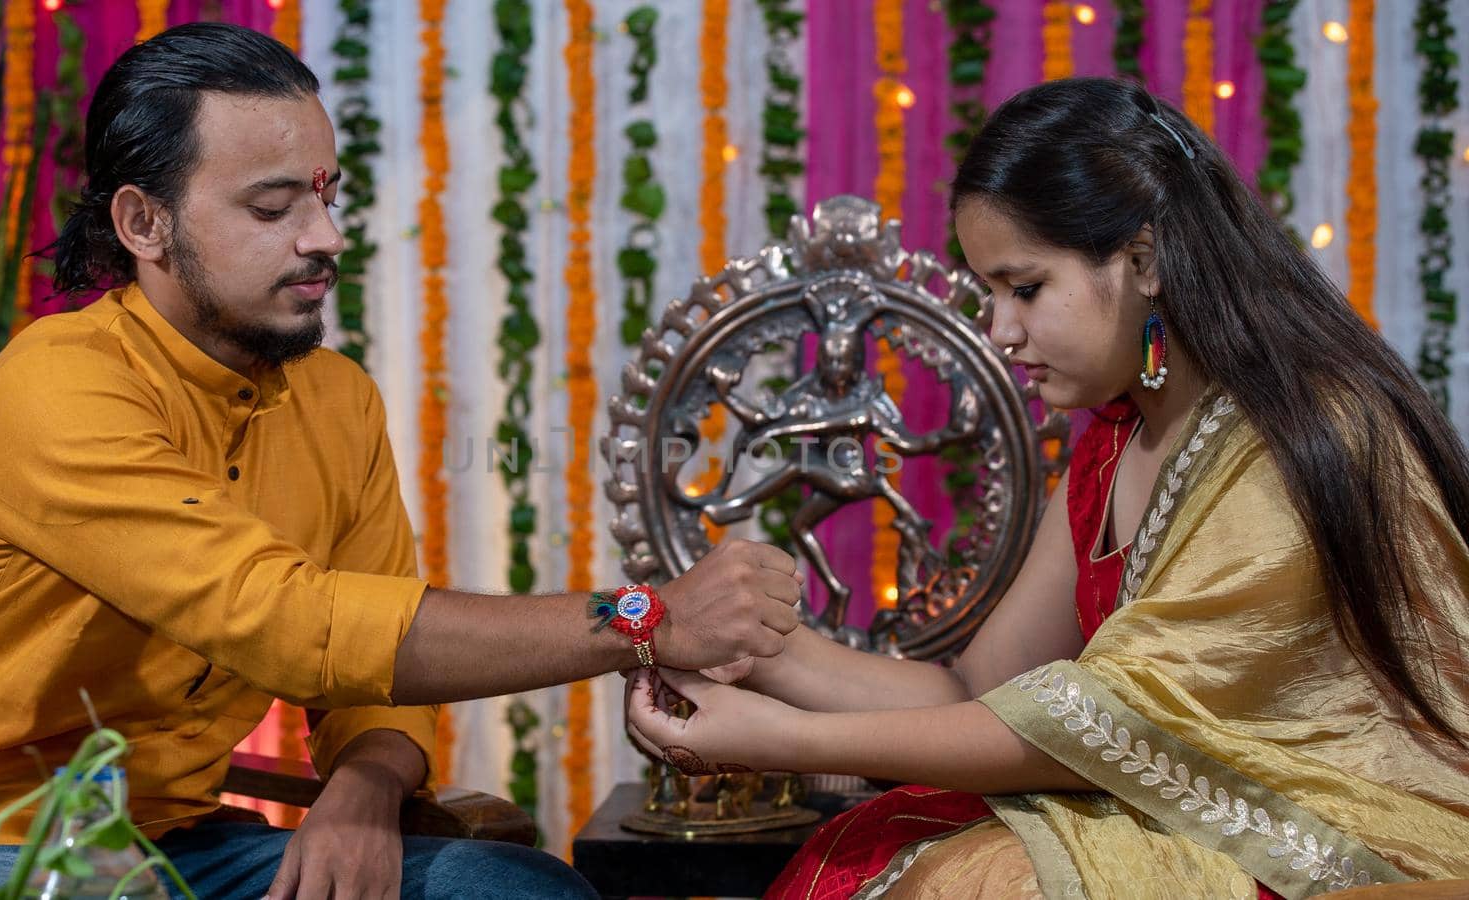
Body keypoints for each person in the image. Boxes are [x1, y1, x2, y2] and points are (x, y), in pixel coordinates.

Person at [0, 23, 804, 900]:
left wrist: (364, 786)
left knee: (520, 889)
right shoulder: (58, 384)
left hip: (179, 840)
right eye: (273, 206)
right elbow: (286, 621)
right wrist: (644, 619)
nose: (325, 236)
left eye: (326, 194)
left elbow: (368, 676)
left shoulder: (337, 399)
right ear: (143, 224)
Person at [626, 77, 1469, 899]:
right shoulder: (1116, 436)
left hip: (1329, 840)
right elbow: (977, 693)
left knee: (985, 878)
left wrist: (784, 741)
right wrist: (753, 650)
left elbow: (1099, 729)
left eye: (1024, 288)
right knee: (897, 844)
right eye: (991, 293)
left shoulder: (1297, 436)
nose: (1000, 331)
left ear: (1143, 260)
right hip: (1176, 807)